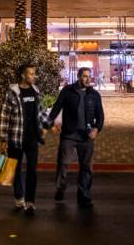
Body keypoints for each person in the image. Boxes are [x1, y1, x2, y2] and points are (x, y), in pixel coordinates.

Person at [43, 67, 104, 208]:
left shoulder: (94, 95)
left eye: (89, 76)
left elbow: (100, 115)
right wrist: (49, 124)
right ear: (78, 77)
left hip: (86, 136)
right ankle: (60, 188)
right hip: (69, 135)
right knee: (63, 163)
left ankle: (84, 195)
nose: (88, 79)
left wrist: (97, 129)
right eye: (84, 76)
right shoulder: (67, 91)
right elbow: (56, 108)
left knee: (86, 167)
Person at [0, 62, 45, 214]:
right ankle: (19, 198)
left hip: (32, 139)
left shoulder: (36, 90)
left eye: (34, 73)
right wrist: (3, 139)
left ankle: (30, 201)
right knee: (16, 170)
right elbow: (5, 116)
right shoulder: (12, 92)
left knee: (32, 170)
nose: (34, 76)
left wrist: (49, 125)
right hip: (16, 138)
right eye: (31, 74)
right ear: (23, 75)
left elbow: (41, 112)